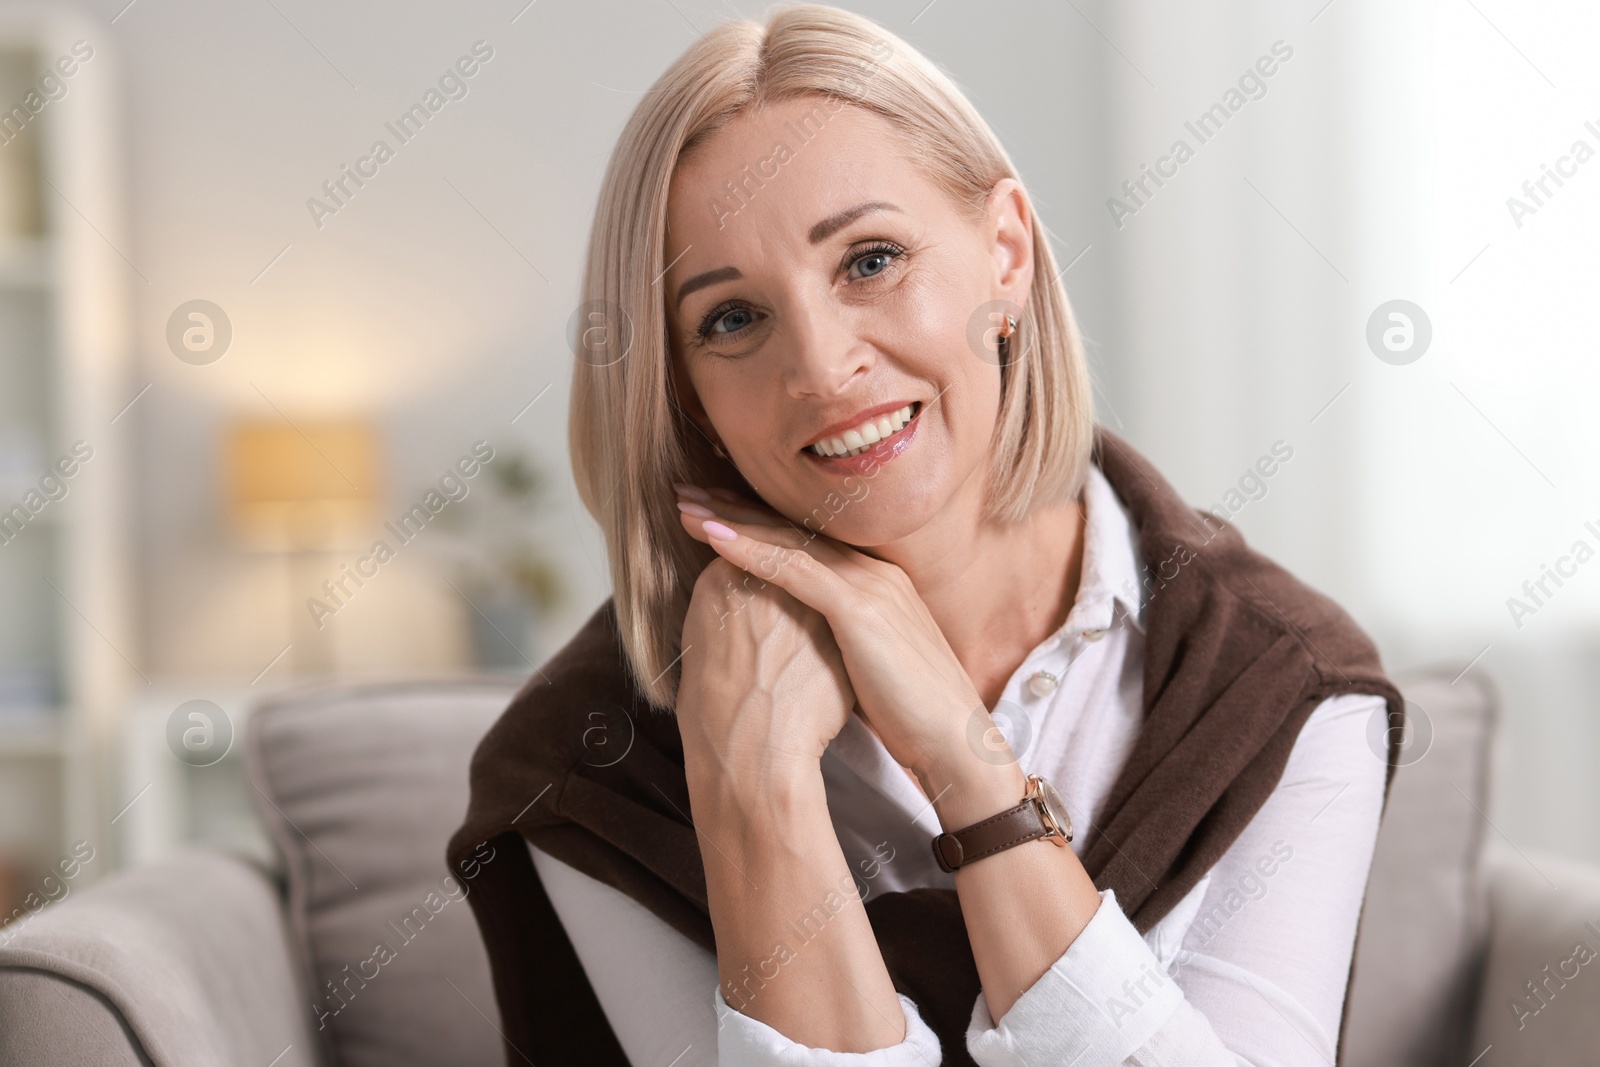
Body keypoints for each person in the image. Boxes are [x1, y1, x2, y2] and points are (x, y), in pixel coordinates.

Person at [450, 6, 1404, 1064]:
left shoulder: (1282, 682)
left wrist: (964, 754)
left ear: (1004, 252)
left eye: (869, 259)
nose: (819, 366)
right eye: (731, 319)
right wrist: (751, 781)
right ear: (684, 400)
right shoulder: (587, 761)